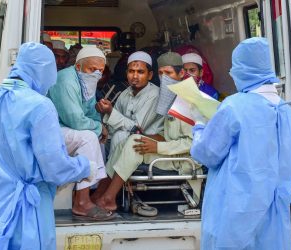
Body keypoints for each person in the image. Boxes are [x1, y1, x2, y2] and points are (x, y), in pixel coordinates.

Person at [0, 42, 92, 249]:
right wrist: (84, 166)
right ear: (45, 72)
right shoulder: (40, 106)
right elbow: (55, 168)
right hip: (25, 211)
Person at [190, 37, 291, 250]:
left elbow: (207, 153)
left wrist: (199, 128)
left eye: (235, 67)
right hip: (273, 213)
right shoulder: (286, 111)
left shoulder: (234, 106)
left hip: (236, 213)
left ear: (243, 70)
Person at [94, 52, 198, 211]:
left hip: (182, 159)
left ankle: (108, 198)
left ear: (181, 73)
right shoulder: (169, 96)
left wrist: (157, 147)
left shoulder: (187, 100)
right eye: (161, 73)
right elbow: (166, 133)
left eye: (169, 73)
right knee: (131, 141)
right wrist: (150, 139)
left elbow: (193, 143)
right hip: (169, 152)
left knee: (134, 142)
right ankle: (100, 195)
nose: (164, 78)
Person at [48, 47, 113, 220]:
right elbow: (74, 120)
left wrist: (99, 126)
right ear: (78, 67)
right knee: (89, 137)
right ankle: (82, 202)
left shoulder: (86, 80)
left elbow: (90, 112)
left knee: (99, 140)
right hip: (52, 132)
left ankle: (94, 195)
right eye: (92, 69)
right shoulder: (66, 81)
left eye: (100, 70)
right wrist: (99, 128)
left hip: (68, 129)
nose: (97, 74)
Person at [96, 51, 164, 155]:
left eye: (140, 72)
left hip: (148, 142)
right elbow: (113, 124)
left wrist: (110, 111)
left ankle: (112, 170)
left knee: (120, 135)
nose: (135, 76)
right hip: (124, 139)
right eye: (131, 71)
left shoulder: (155, 95)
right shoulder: (126, 92)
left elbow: (137, 129)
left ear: (149, 75)